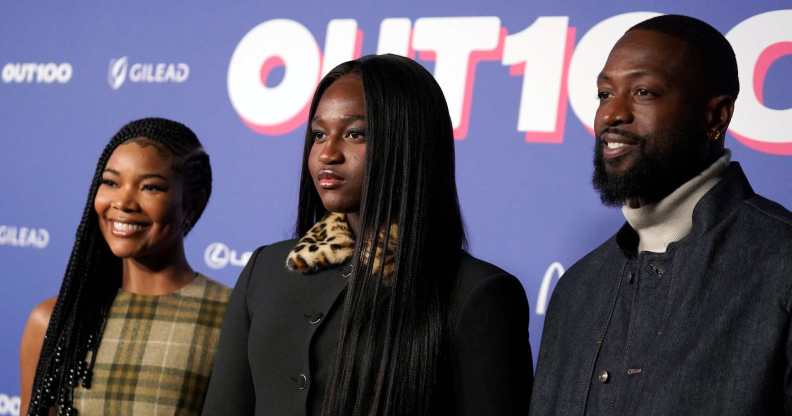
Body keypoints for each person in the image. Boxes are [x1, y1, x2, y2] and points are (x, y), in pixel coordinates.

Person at [202, 54, 532, 416]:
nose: (327, 154)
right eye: (318, 134)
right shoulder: (266, 270)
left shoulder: (477, 293)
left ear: (409, 143)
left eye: (355, 134)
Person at [529, 14, 792, 416]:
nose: (612, 114)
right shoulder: (577, 290)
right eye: (604, 94)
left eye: (644, 92)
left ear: (715, 117)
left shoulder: (781, 262)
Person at [19, 118, 231, 416]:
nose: (123, 201)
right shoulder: (55, 322)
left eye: (150, 187)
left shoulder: (232, 319)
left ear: (192, 204)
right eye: (111, 182)